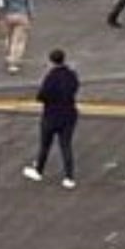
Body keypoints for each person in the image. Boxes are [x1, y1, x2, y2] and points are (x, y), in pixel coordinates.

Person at [24, 49, 80, 188]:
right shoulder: (71, 75)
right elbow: (75, 87)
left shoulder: (50, 77)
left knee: (45, 145)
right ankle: (69, 177)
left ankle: (39, 170)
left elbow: (41, 96)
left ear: (50, 61)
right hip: (69, 114)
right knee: (66, 145)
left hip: (51, 114)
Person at [1, 0, 32, 73]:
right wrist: (30, 15)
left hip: (9, 15)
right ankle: (14, 63)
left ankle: (9, 55)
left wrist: (1, 15)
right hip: (22, 15)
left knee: (9, 37)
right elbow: (29, 2)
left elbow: (4, 2)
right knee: (19, 40)